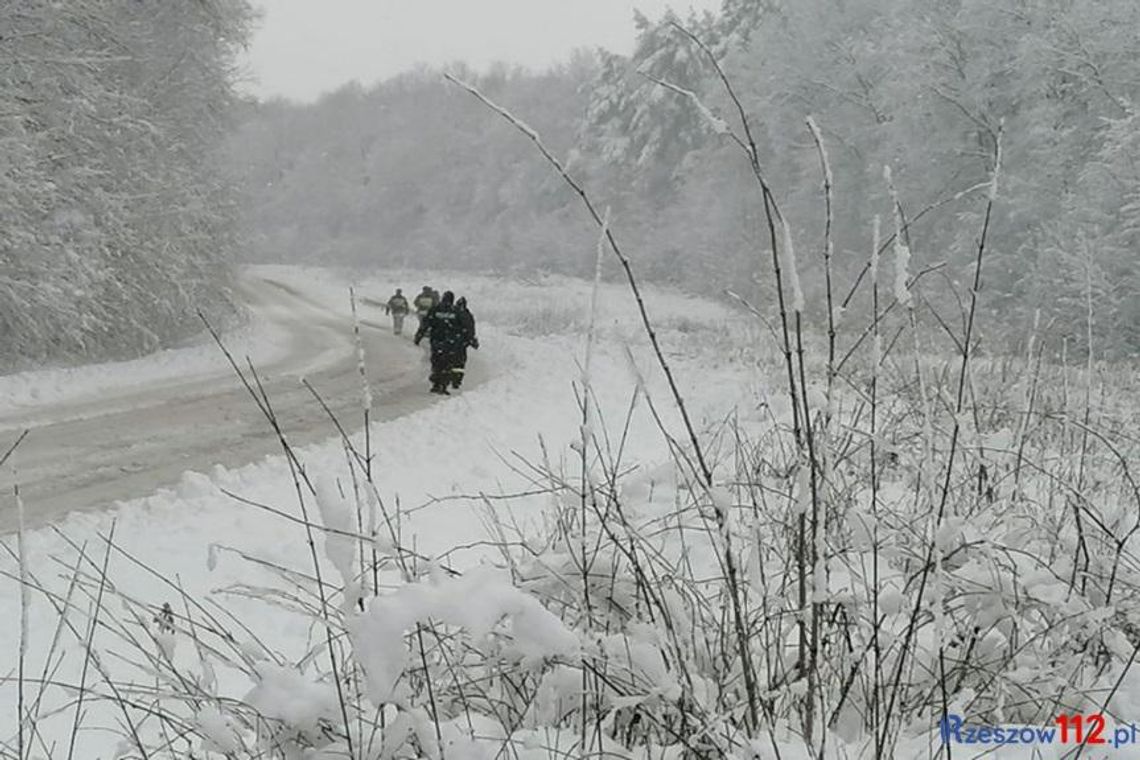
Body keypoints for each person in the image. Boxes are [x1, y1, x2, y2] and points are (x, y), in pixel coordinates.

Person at [413, 290, 465, 394]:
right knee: (447, 364)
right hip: (451, 344)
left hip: (437, 342)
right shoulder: (456, 312)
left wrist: (418, 336)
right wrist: (462, 341)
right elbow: (463, 328)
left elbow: (425, 324)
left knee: (437, 363)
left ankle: (436, 383)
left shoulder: (435, 310)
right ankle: (444, 385)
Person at [450, 296, 479, 389]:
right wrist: (471, 340)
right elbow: (470, 329)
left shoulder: (451, 313)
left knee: (449, 360)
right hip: (461, 343)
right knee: (459, 362)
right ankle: (457, 380)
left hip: (449, 342)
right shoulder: (467, 315)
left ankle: (447, 378)